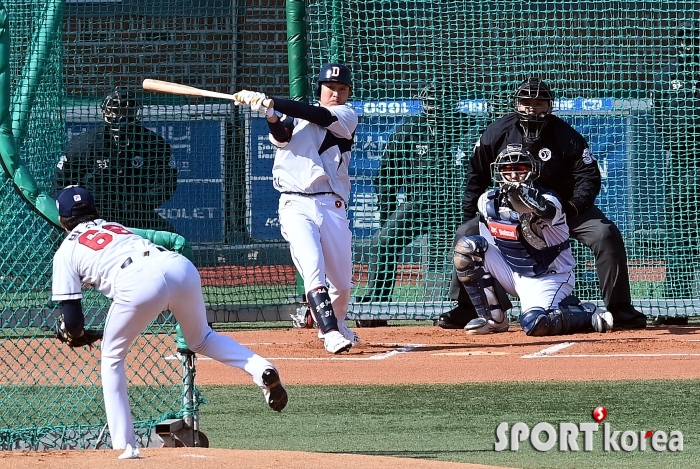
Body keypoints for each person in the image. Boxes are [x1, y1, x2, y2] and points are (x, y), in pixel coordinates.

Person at [51, 185, 288, 459]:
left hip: (137, 281)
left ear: (61, 220)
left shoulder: (65, 252)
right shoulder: (113, 227)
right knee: (201, 339)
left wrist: (72, 332)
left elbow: (73, 321)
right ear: (95, 211)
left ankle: (125, 447)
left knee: (112, 357)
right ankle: (262, 368)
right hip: (178, 267)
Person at [438, 76, 648, 330]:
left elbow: (588, 177)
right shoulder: (496, 132)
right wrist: (472, 215)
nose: (532, 107)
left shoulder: (565, 135)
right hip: (511, 210)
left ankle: (619, 308)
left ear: (550, 105)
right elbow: (476, 176)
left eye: (539, 102)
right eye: (526, 102)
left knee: (605, 234)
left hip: (561, 209)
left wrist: (572, 208)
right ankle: (469, 307)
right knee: (466, 234)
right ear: (516, 104)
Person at [232, 63, 360, 354]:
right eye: (331, 88)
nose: (336, 93)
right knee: (312, 266)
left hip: (331, 204)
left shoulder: (345, 115)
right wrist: (269, 114)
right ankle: (328, 333)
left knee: (342, 283)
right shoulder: (295, 116)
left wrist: (271, 100)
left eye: (342, 89)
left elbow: (318, 115)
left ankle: (337, 323)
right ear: (320, 89)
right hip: (294, 203)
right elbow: (282, 137)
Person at [453, 145, 613, 335]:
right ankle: (494, 318)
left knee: (536, 323)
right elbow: (490, 241)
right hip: (513, 271)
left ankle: (588, 314)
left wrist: (529, 202)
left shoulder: (550, 199)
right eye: (507, 169)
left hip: (550, 274)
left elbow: (547, 210)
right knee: (467, 248)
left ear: (532, 171)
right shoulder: (487, 201)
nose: (513, 174)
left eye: (520, 169)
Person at [354, 82, 468, 327]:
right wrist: (387, 214)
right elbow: (387, 176)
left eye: (440, 101)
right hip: (420, 204)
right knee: (382, 241)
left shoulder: (468, 127)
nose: (434, 106)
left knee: (471, 251)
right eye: (430, 100)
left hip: (458, 208)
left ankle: (466, 307)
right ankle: (377, 305)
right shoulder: (409, 129)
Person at [53, 87, 178, 232]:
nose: (122, 117)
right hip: (93, 217)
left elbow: (167, 183)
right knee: (59, 239)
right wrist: (78, 210)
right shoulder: (83, 144)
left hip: (138, 215)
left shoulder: (154, 144)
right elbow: (61, 182)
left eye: (128, 111)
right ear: (105, 112)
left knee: (173, 241)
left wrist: (139, 205)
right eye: (117, 111)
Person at [649, 19, 698, 325]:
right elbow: (664, 123)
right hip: (681, 164)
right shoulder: (666, 77)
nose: (690, 46)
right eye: (686, 40)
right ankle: (675, 304)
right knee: (679, 234)